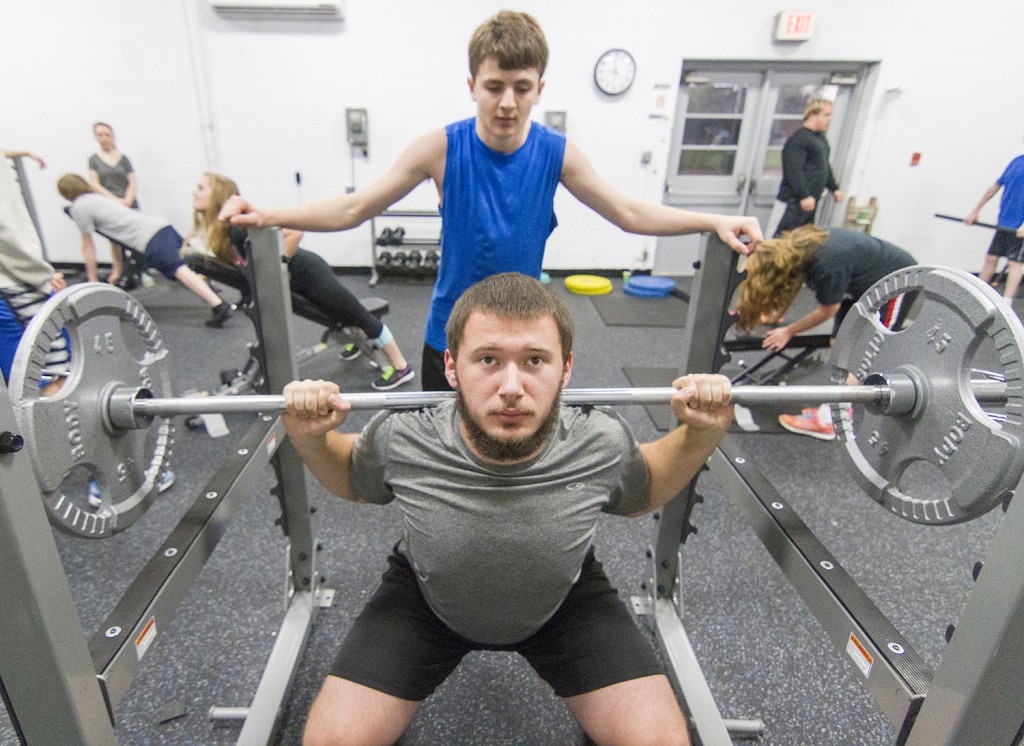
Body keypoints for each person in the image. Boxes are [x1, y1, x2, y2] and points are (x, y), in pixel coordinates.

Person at [282, 273, 733, 746]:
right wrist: (312, 436)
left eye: (535, 360)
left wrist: (700, 433)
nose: (512, 387)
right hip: (426, 597)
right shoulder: (404, 436)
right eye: (488, 360)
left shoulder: (598, 439)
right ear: (453, 368)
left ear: (566, 369)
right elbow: (352, 479)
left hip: (564, 602)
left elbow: (646, 489)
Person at [219, 10, 762, 392]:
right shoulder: (441, 148)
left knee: (514, 459)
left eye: (521, 88)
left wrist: (712, 219)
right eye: (495, 85)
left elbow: (629, 213)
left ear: (540, 89)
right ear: (472, 84)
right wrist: (269, 215)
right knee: (445, 457)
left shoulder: (557, 153)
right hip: (449, 334)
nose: (507, 102)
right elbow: (353, 209)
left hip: (524, 338)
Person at [186, 172, 415, 389]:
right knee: (339, 316)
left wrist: (279, 268)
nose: (194, 193)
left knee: (357, 315)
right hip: (298, 278)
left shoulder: (237, 229)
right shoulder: (223, 231)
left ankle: (402, 367)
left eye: (200, 188)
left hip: (310, 273)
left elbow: (294, 233)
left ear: (217, 194)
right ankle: (357, 342)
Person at [735, 225, 916, 440]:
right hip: (861, 286)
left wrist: (789, 331)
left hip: (894, 283)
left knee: (864, 350)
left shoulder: (826, 264)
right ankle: (837, 403)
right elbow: (792, 284)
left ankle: (829, 420)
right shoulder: (799, 246)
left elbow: (827, 311)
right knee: (838, 343)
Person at [57, 173, 235, 327]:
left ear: (65, 193)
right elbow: (114, 239)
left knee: (177, 268)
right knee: (192, 263)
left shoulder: (80, 207)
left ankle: (218, 305)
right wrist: (117, 270)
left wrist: (92, 278)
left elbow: (88, 246)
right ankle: (216, 290)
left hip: (148, 236)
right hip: (159, 226)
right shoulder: (97, 199)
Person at [773, 99, 844, 237]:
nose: (830, 119)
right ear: (812, 115)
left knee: (802, 240)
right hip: (796, 201)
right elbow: (792, 170)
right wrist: (804, 195)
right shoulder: (799, 139)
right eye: (826, 115)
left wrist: (834, 188)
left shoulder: (820, 139)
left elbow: (823, 165)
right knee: (782, 239)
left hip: (811, 201)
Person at [965, 154, 1024, 303]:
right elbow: (996, 186)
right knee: (991, 258)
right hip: (1004, 222)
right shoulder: (1016, 161)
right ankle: (977, 295)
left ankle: (1007, 302)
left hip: (1019, 227)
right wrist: (975, 211)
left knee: (1014, 264)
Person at [86, 122, 139, 285]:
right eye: (100, 135)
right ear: (96, 137)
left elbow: (132, 181)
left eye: (107, 134)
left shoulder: (123, 158)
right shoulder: (94, 160)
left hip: (129, 202)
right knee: (115, 240)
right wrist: (114, 200)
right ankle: (118, 271)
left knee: (136, 238)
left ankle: (136, 271)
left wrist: (128, 199)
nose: (104, 138)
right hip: (109, 203)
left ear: (112, 136)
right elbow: (94, 184)